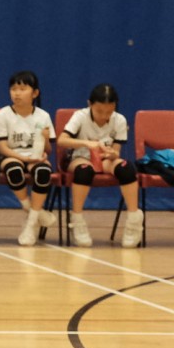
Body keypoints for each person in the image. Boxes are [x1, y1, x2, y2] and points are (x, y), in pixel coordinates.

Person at [59, 83, 146, 248]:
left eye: (109, 112)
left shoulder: (119, 120)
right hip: (80, 157)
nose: (104, 116)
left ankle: (134, 220)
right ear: (90, 104)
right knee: (84, 171)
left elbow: (116, 151)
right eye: (99, 111)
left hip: (104, 159)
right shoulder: (80, 116)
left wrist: (112, 154)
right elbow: (62, 140)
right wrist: (87, 143)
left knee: (126, 168)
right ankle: (77, 219)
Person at [0, 69, 55, 246]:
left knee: (43, 171)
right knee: (13, 169)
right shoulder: (4, 114)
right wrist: (24, 159)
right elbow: (2, 147)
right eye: (13, 89)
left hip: (35, 156)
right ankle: (32, 209)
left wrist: (45, 140)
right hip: (12, 155)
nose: (17, 93)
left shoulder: (43, 116)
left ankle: (30, 223)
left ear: (35, 93)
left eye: (22, 89)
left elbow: (48, 150)